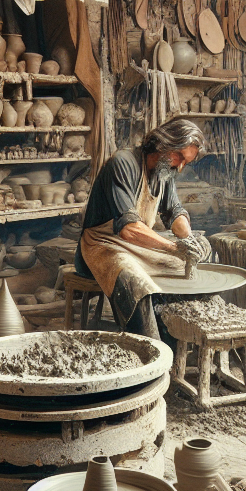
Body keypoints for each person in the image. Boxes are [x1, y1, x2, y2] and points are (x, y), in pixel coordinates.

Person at [77, 119, 208, 338]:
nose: (181, 166)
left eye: (186, 162)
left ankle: (173, 337)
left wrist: (190, 240)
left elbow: (174, 213)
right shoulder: (122, 163)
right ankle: (149, 346)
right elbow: (128, 229)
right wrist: (173, 247)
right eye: (180, 157)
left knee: (188, 262)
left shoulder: (164, 172)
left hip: (136, 244)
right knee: (136, 281)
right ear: (165, 144)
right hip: (101, 244)